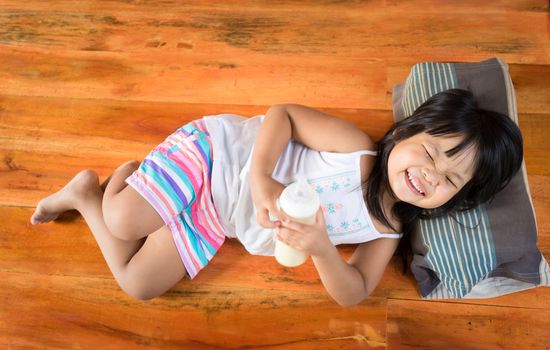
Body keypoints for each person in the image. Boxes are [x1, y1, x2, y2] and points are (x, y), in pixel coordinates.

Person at [30, 89, 523, 307]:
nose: (428, 175)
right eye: (431, 152)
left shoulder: (386, 231)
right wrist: (263, 178)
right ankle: (125, 184)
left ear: (454, 201)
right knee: (123, 223)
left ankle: (85, 195)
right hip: (218, 157)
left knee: (138, 284)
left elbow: (353, 293)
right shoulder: (357, 152)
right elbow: (281, 114)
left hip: (220, 218)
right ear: (408, 131)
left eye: (450, 180)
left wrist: (324, 249)